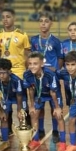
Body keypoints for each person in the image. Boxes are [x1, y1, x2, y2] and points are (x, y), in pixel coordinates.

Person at [0, 7, 30, 136]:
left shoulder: (22, 35)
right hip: (4, 74)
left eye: (8, 16)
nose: (5, 19)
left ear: (14, 18)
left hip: (19, 72)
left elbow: (27, 55)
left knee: (22, 103)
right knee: (6, 101)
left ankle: (26, 129)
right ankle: (7, 131)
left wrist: (27, 73)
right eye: (3, 17)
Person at [23, 52, 66, 151]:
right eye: (30, 64)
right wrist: (32, 105)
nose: (32, 66)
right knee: (34, 114)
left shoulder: (50, 74)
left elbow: (53, 92)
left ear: (42, 64)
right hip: (40, 95)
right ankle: (35, 139)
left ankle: (63, 142)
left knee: (58, 115)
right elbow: (30, 90)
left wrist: (57, 107)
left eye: (35, 63)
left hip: (53, 94)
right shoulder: (27, 74)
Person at [30, 12, 63, 143]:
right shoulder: (33, 40)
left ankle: (55, 131)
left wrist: (56, 69)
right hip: (38, 79)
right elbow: (31, 57)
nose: (43, 23)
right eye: (41, 21)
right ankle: (41, 129)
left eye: (46, 21)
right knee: (40, 106)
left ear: (51, 24)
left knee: (54, 106)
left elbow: (60, 57)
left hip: (51, 78)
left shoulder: (55, 41)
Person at [0, 59, 28, 151]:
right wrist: (1, 111)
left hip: (20, 97)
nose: (1, 75)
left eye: (4, 73)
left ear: (10, 72)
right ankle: (5, 141)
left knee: (22, 117)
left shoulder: (16, 80)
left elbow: (19, 95)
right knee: (3, 118)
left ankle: (22, 143)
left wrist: (19, 110)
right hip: (7, 98)